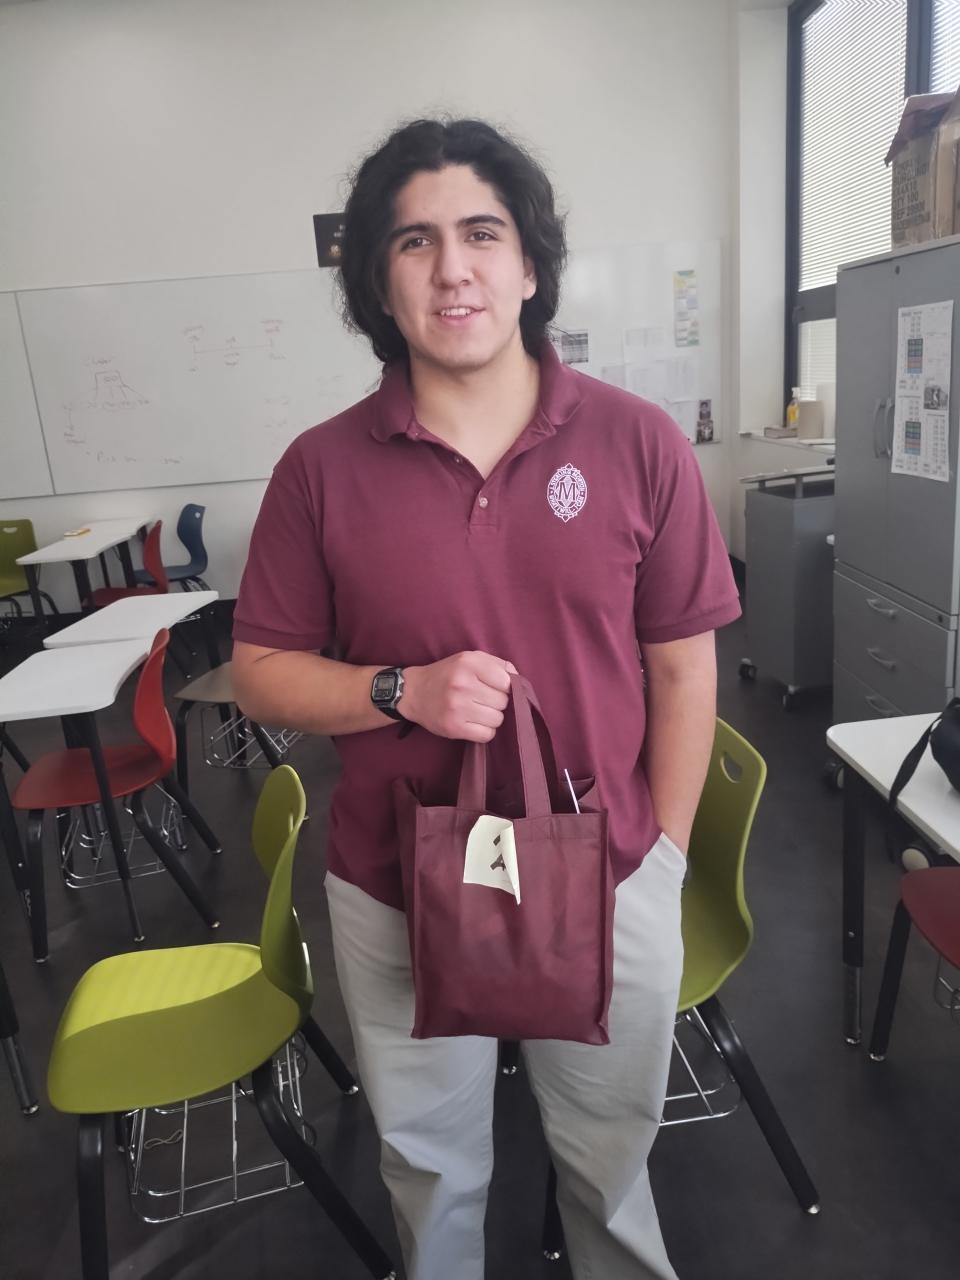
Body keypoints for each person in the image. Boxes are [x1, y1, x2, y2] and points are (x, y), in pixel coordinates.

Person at [232, 117, 741, 1280]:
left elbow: (683, 665)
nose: (451, 268)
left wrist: (662, 857)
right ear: (377, 281)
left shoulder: (638, 442)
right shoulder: (320, 468)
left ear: (528, 265)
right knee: (431, 1167)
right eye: (414, 241)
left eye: (481, 233)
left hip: (607, 871)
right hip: (395, 885)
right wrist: (399, 689)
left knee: (610, 1159)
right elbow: (260, 669)